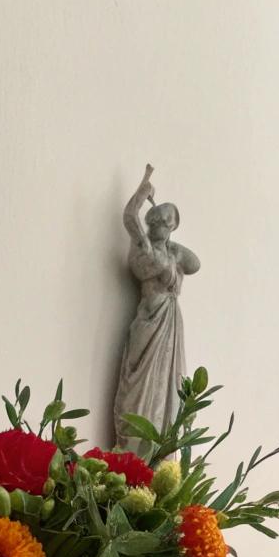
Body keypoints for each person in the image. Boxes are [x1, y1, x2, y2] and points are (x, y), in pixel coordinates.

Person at [113, 163, 200, 448]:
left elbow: (195, 263)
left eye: (169, 223)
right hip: (149, 320)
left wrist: (173, 250)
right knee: (136, 387)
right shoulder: (143, 246)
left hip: (169, 321)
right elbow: (129, 217)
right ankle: (131, 452)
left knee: (165, 390)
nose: (163, 227)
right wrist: (142, 191)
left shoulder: (172, 254)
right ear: (151, 223)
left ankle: (159, 454)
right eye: (159, 221)